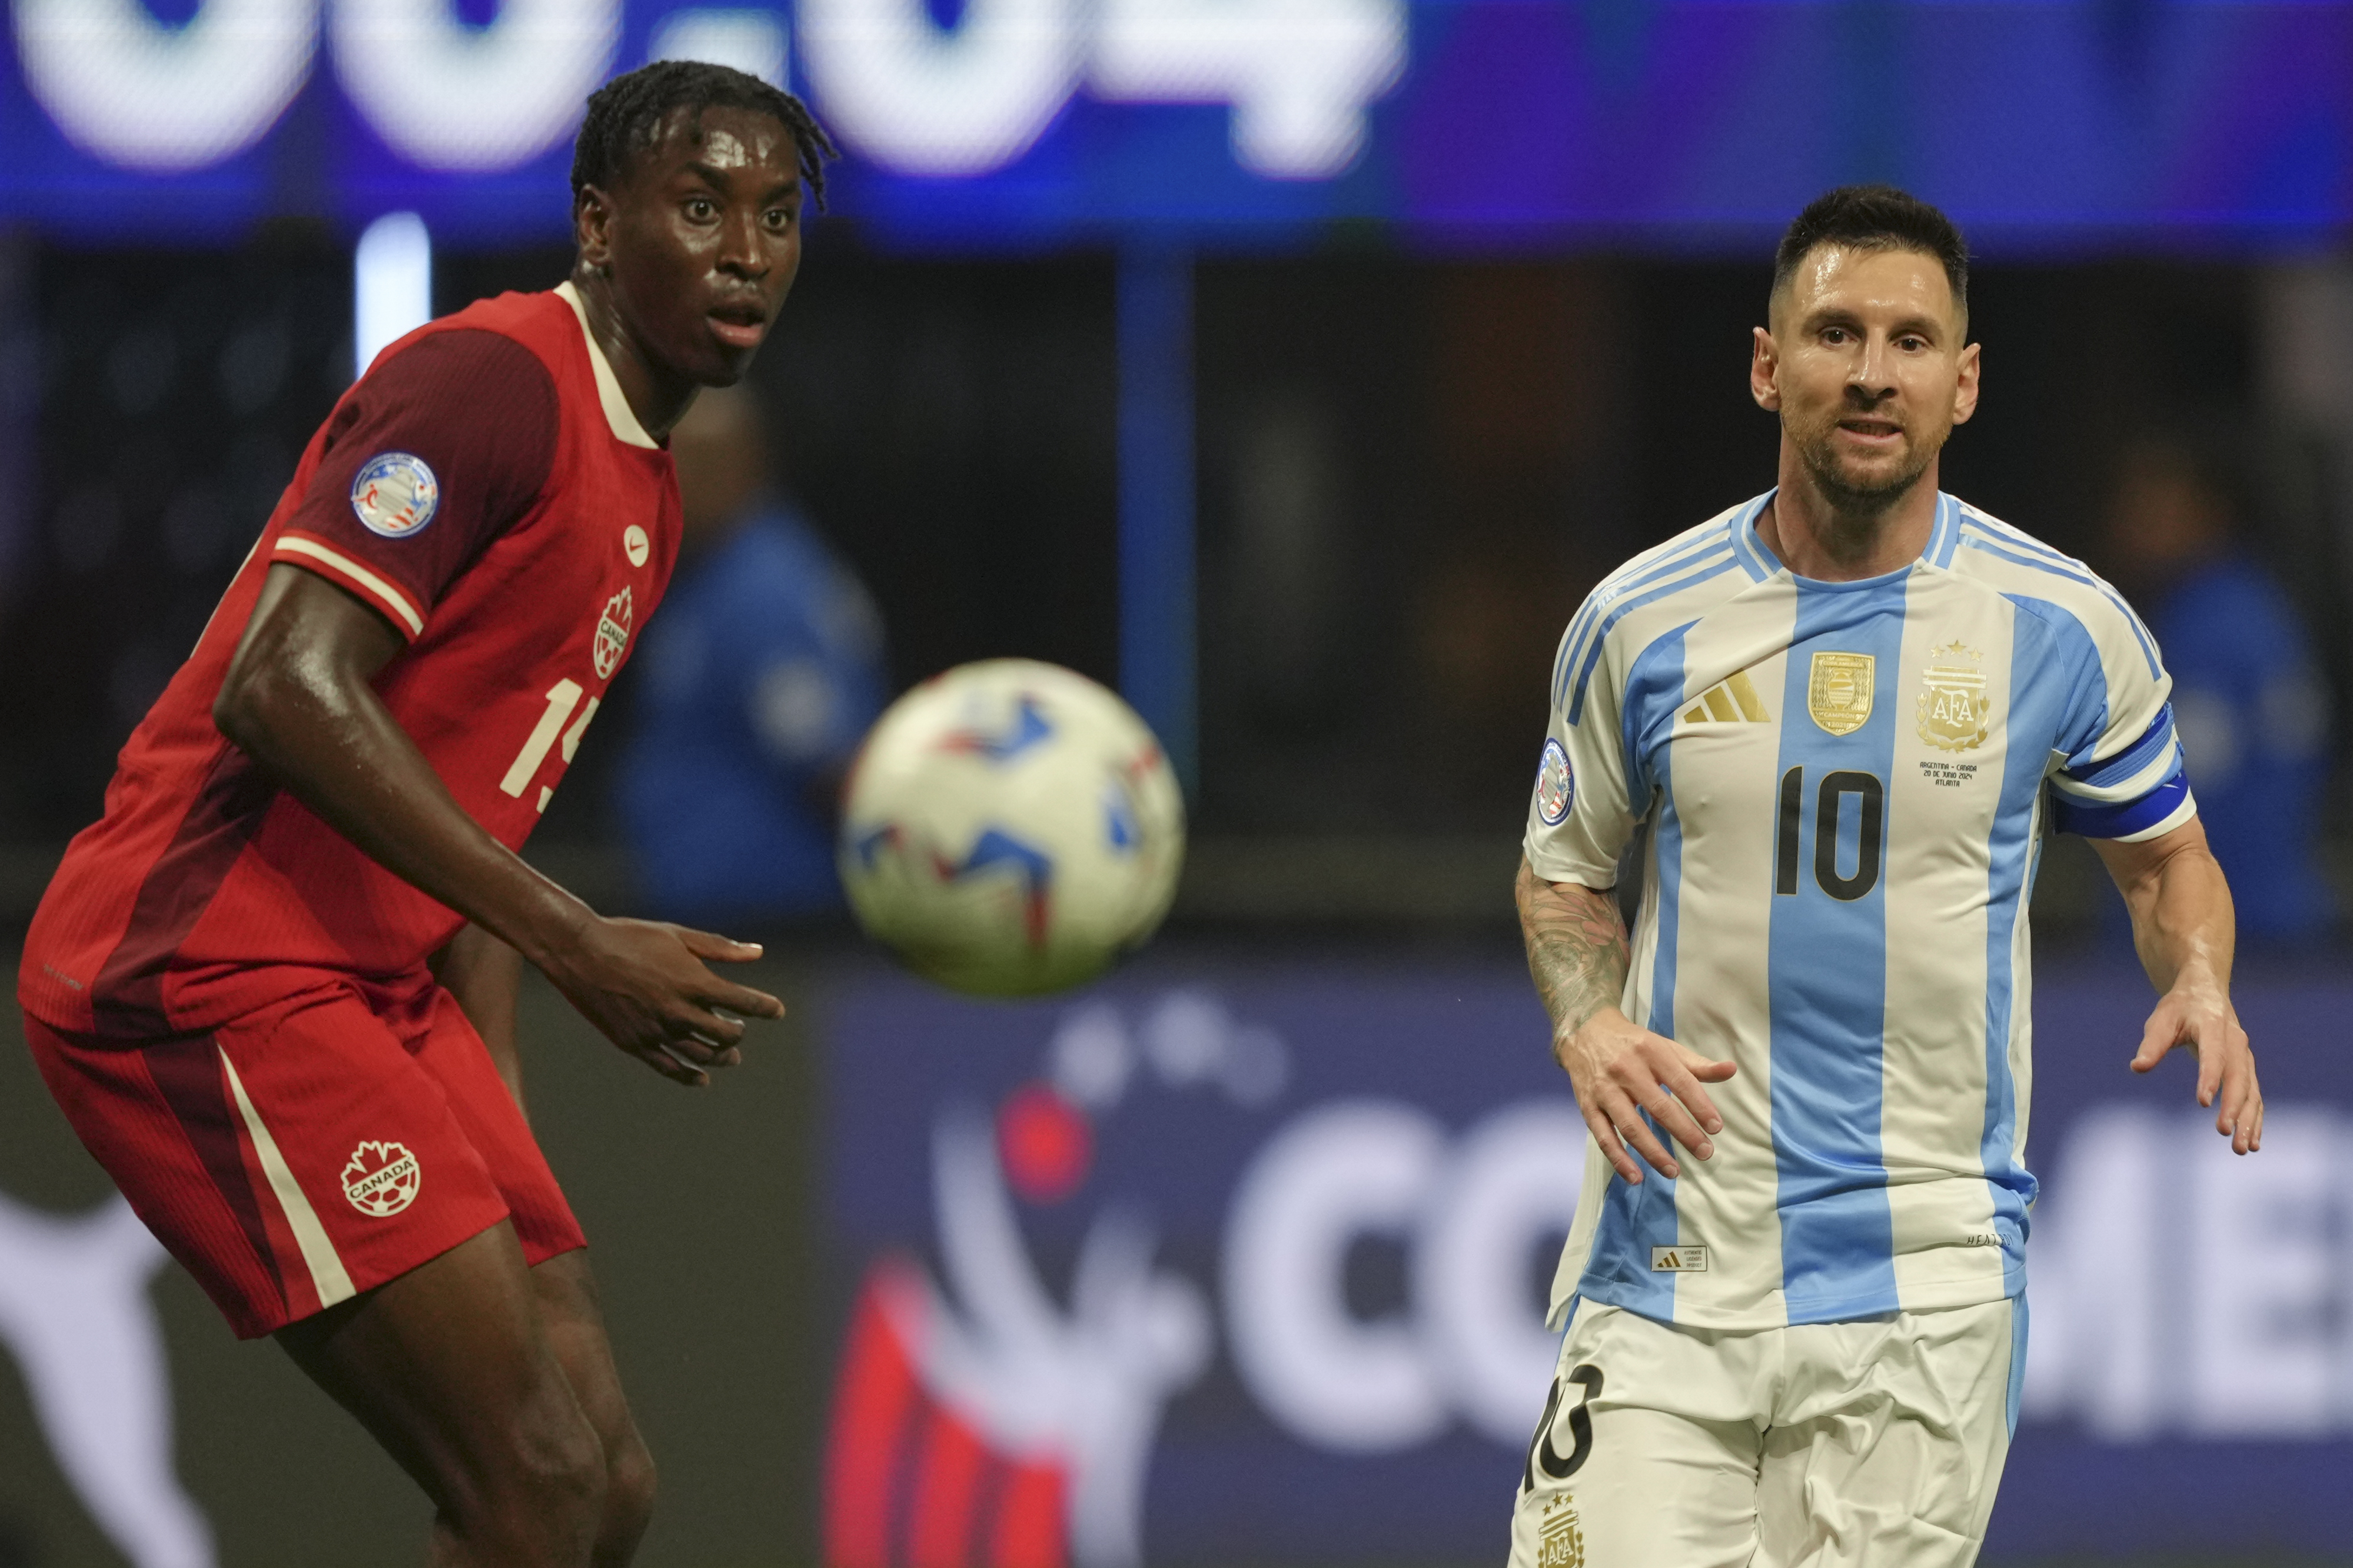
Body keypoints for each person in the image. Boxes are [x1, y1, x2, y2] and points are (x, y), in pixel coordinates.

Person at [16, 61, 834, 1566]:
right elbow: (282, 685)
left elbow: (476, 816)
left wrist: (493, 1127)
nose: (746, 250)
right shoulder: (490, 385)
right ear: (599, 223)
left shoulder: (650, 489)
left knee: (603, 1477)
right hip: (196, 969)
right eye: (701, 204)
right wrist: (581, 944)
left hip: (377, 985)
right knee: (534, 1477)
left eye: (777, 216)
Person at [1510, 186, 2262, 1568]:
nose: (1872, 371)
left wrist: (2202, 973)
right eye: (1835, 333)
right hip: (1665, 1268)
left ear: (1962, 382)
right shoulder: (1638, 621)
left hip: (1924, 1290)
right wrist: (1588, 1019)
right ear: (1765, 363)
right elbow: (1564, 876)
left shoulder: (2064, 626)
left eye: (1912, 342)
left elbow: (2165, 863)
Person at [616, 383, 885, 923]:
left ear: (747, 465)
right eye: (665, 461)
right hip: (705, 910)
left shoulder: (767, 591)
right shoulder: (707, 572)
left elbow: (833, 766)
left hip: (773, 922)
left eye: (696, 463)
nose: (674, 481)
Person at [2101, 434, 2334, 944]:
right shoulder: (2259, 604)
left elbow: (2188, 796)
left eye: (2156, 506)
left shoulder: (2209, 626)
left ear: (2208, 512)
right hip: (2283, 917)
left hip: (2224, 933)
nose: (2133, 525)